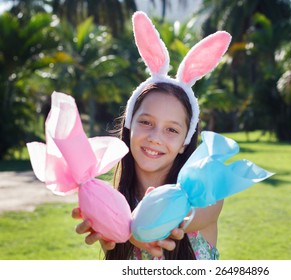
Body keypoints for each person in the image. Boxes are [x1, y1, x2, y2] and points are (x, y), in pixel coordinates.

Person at [72, 11, 232, 260]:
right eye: (146, 122)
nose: (155, 137)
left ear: (184, 142)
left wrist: (130, 229)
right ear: (129, 126)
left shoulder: (206, 196)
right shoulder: (117, 201)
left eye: (172, 129)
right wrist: (107, 228)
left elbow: (173, 217)